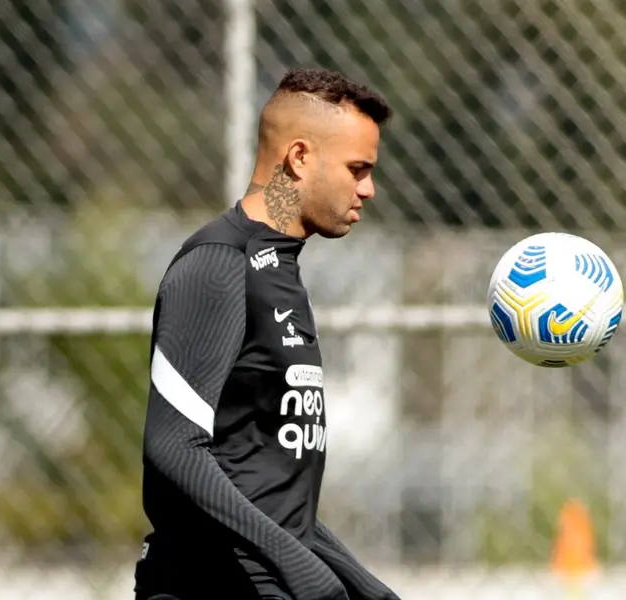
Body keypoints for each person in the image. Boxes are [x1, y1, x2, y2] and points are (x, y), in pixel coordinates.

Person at [133, 67, 400, 600]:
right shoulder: (217, 264)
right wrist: (292, 564)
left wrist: (363, 586)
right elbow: (173, 447)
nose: (368, 189)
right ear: (300, 158)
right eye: (357, 169)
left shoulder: (279, 270)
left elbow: (271, 500)